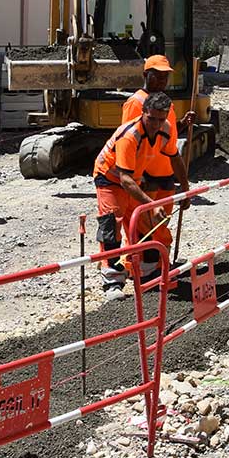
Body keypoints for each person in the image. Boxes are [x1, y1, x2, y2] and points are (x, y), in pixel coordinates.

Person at [92, 91, 186, 299]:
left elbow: (175, 157)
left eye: (160, 120)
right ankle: (112, 281)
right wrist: (151, 203)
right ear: (143, 112)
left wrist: (186, 189)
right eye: (151, 118)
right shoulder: (130, 135)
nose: (155, 124)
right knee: (112, 225)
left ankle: (148, 274)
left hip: (134, 178)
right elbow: (124, 179)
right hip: (110, 177)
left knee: (145, 224)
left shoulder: (165, 130)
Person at [120, 55, 195, 258]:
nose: (162, 81)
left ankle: (160, 268)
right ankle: (137, 268)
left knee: (161, 222)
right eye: (157, 76)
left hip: (165, 173)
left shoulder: (165, 103)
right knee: (142, 225)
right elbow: (128, 141)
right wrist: (139, 176)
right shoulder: (135, 103)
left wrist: (181, 124)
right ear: (146, 75)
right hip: (146, 177)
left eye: (165, 77)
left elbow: (166, 137)